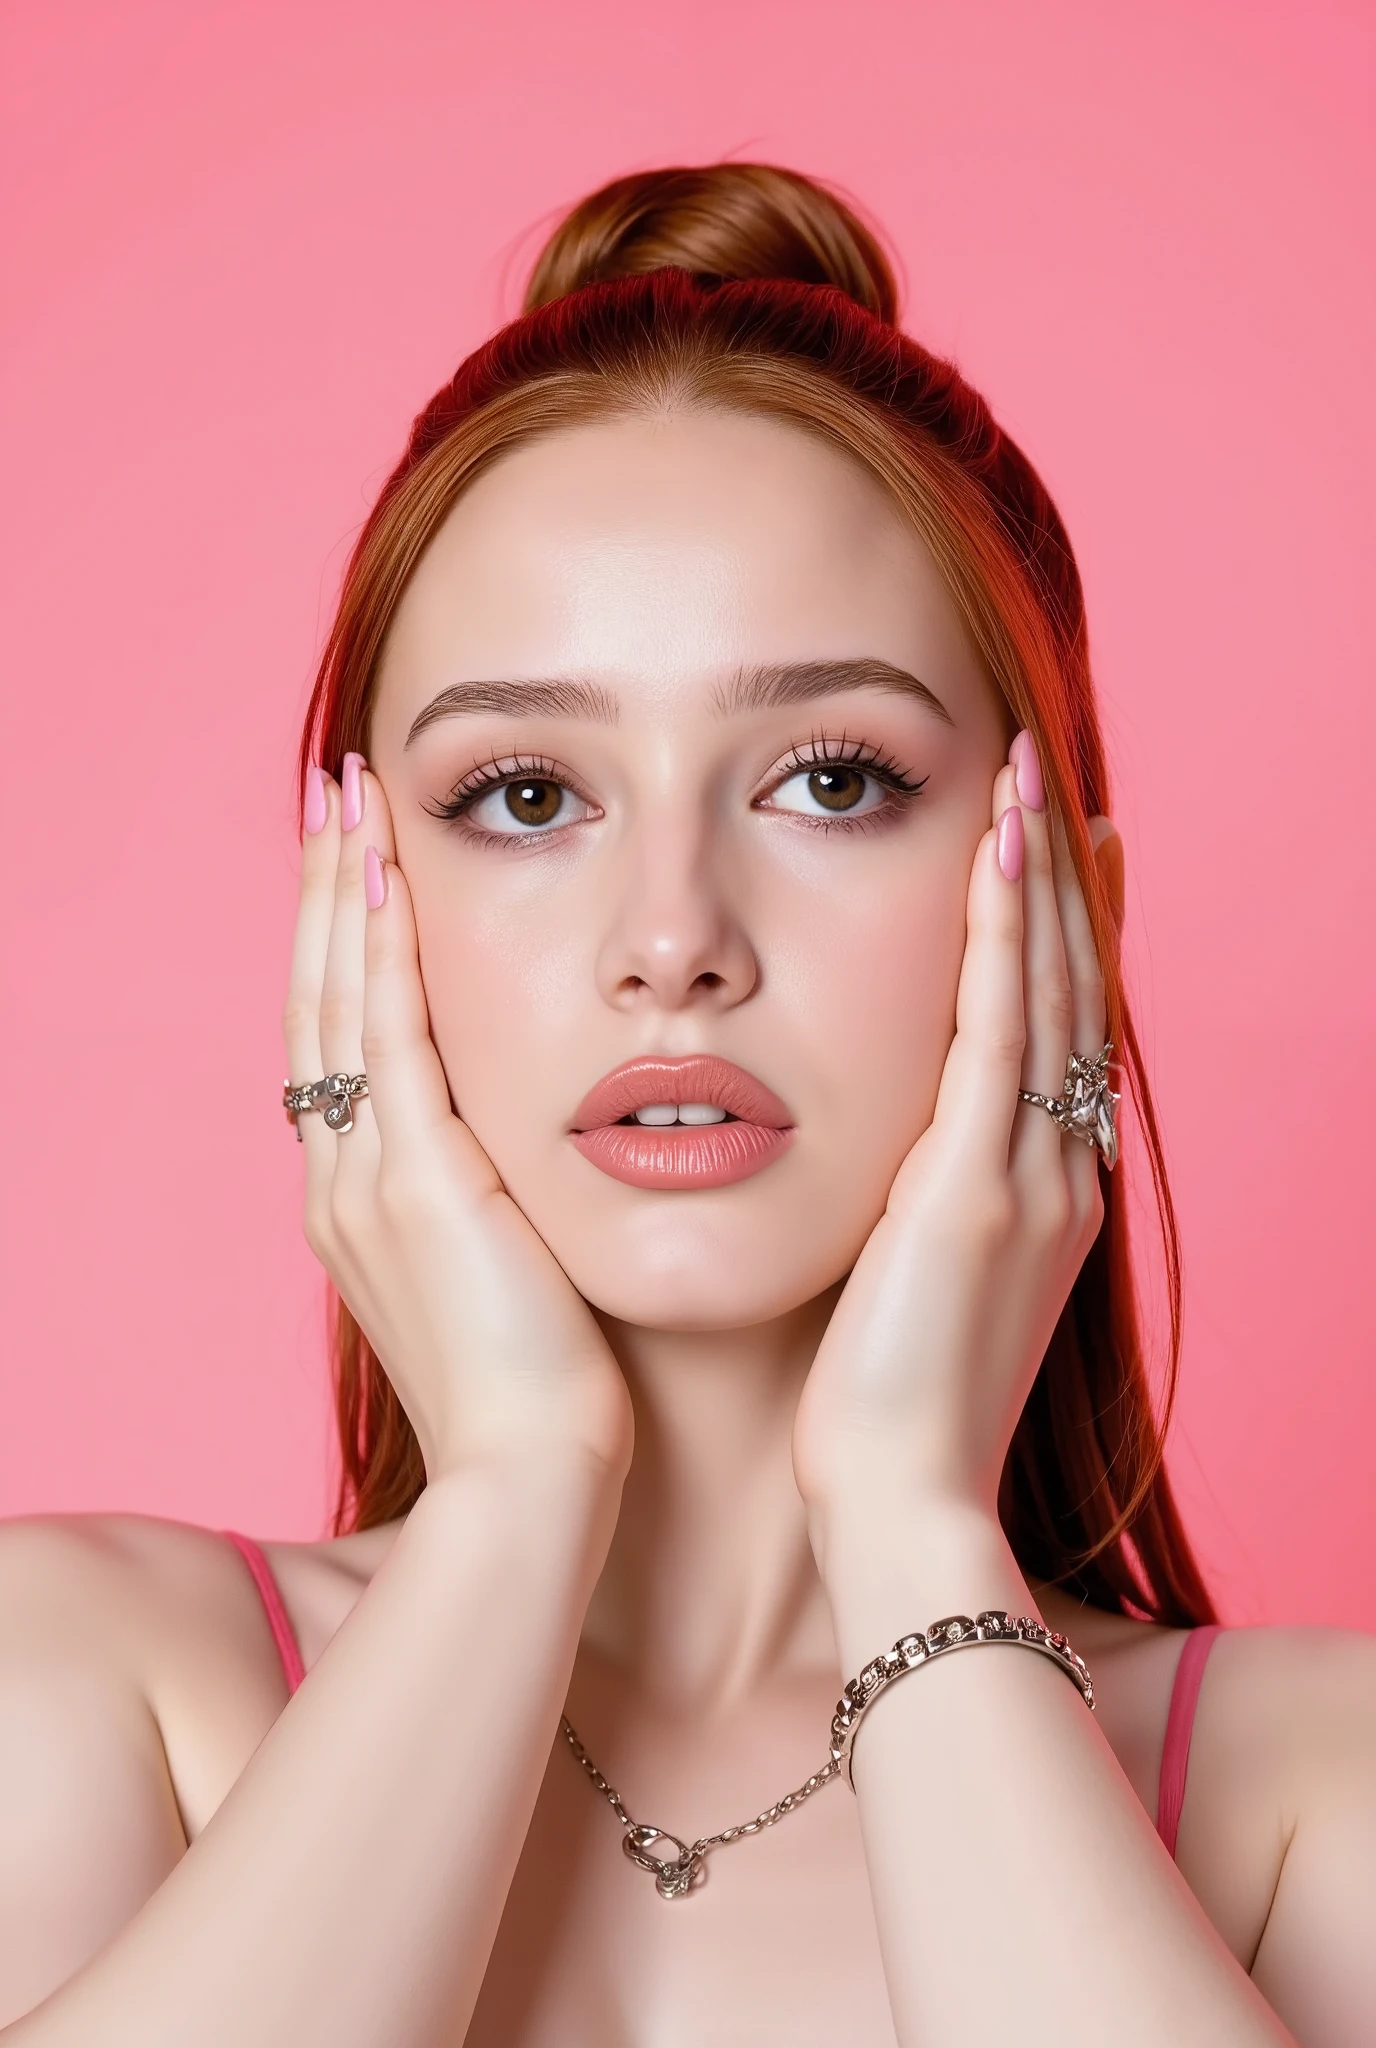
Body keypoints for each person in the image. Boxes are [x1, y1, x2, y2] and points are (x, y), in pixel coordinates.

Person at [0, 162, 1370, 2048]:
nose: (672, 943)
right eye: (526, 796)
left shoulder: (1315, 1800)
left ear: (1070, 909)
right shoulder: (80, 1693)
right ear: (355, 898)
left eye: (831, 780)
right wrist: (513, 1493)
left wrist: (910, 1523)